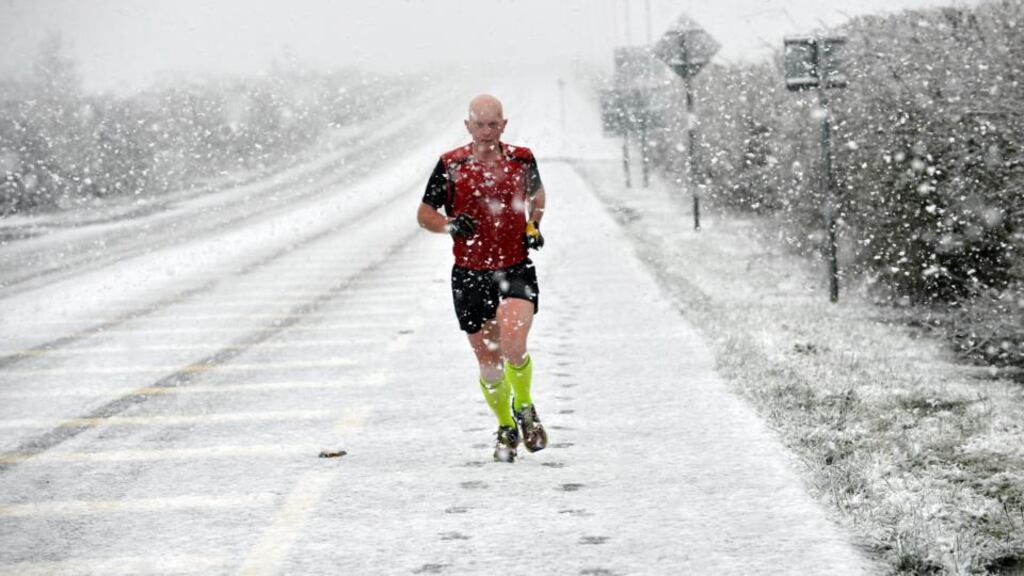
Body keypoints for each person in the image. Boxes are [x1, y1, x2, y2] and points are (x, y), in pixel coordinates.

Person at [417, 94, 547, 463]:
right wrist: (449, 224)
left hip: (514, 267)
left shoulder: (522, 159)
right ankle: (506, 424)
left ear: (504, 125)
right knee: (488, 360)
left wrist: (533, 225)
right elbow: (424, 214)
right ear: (468, 126)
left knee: (512, 344)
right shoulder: (451, 165)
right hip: (470, 274)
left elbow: (538, 197)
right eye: (480, 124)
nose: (487, 131)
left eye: (494, 124)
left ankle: (524, 406)